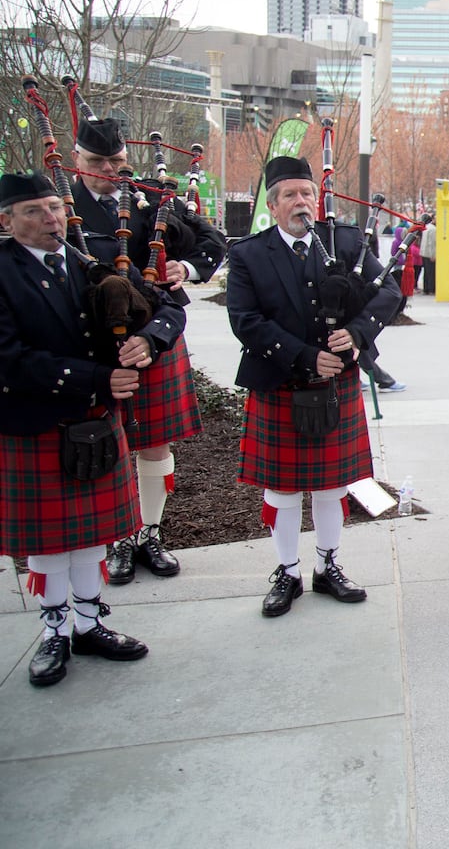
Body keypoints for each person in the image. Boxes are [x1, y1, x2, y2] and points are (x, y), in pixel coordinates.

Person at [0, 170, 185, 685]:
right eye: (34, 211)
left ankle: (88, 623)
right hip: (37, 421)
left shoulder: (85, 263)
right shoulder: (2, 271)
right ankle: (54, 630)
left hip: (94, 422)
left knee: (87, 538)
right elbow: (10, 359)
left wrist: (149, 341)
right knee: (49, 542)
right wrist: (101, 377)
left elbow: (168, 309)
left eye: (54, 208)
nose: (50, 218)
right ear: (7, 220)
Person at [226, 156, 404, 617]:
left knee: (332, 485)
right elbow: (245, 321)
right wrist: (305, 356)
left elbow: (390, 291)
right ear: (273, 204)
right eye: (290, 195)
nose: (301, 202)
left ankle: (328, 567)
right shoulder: (248, 253)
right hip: (280, 381)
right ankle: (287, 572)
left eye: (307, 193)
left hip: (336, 383)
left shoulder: (344, 241)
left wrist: (359, 333)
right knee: (281, 490)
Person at [70, 115, 228, 585]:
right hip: (89, 340)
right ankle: (117, 536)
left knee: (153, 441)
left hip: (156, 329)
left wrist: (186, 266)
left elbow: (212, 239)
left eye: (117, 161)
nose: (109, 171)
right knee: (108, 440)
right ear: (77, 159)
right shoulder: (60, 202)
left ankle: (149, 533)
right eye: (97, 162)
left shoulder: (149, 197)